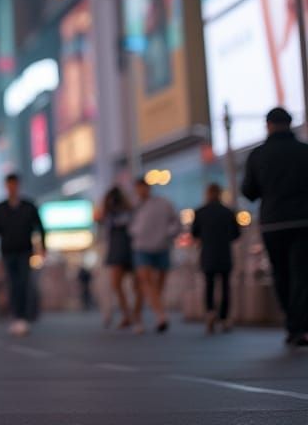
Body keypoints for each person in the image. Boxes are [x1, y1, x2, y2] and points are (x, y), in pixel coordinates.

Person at [241, 106, 308, 346]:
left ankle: (292, 324)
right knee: (301, 274)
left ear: (268, 125)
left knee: (281, 274)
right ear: (290, 124)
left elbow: (248, 191)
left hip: (273, 223)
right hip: (303, 221)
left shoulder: (258, 155)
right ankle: (301, 326)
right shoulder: (304, 151)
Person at [0, 173, 45, 336]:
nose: (12, 187)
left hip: (25, 250)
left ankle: (25, 317)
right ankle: (16, 316)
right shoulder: (0, 208)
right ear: (6, 186)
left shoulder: (28, 206)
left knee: (25, 283)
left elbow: (40, 227)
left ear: (18, 185)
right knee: (12, 284)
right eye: (9, 184)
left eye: (14, 184)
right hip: (8, 251)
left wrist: (43, 247)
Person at [128, 176, 180, 334]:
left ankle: (147, 312)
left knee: (158, 284)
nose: (140, 191)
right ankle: (160, 315)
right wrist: (135, 232)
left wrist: (167, 234)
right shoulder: (133, 206)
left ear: (148, 188)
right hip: (141, 248)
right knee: (146, 280)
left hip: (161, 247)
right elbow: (128, 225)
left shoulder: (163, 203)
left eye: (142, 187)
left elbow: (176, 223)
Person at [192, 182, 241, 334]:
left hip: (207, 253)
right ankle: (225, 318)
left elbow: (195, 233)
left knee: (209, 285)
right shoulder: (228, 212)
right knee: (226, 286)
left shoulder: (200, 212)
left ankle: (210, 312)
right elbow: (236, 234)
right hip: (224, 253)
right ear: (220, 193)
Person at [98, 185, 140, 329]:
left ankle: (134, 314)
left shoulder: (129, 211)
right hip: (119, 250)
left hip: (129, 249)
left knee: (136, 285)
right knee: (117, 285)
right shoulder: (110, 214)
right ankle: (127, 314)